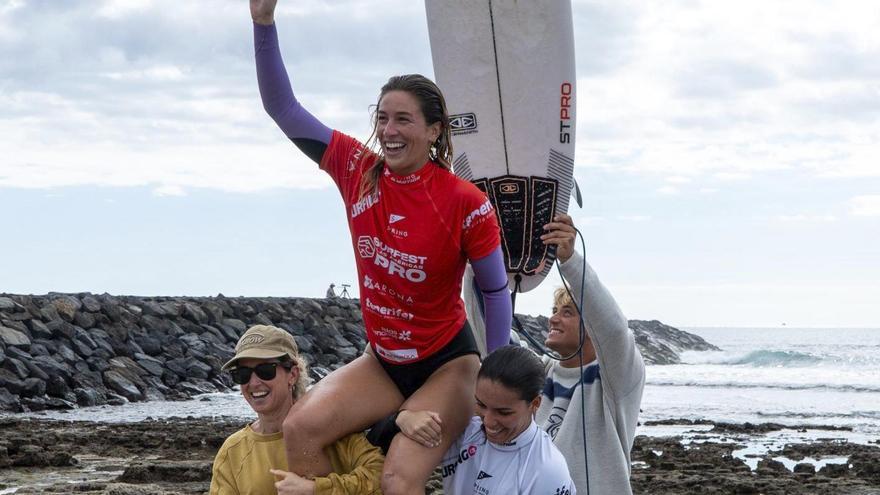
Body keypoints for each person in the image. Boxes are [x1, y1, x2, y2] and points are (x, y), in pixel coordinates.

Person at [248, 1, 512, 493]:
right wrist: (263, 24)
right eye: (383, 117)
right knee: (299, 429)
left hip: (448, 362)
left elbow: (495, 293)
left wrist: (495, 378)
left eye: (404, 120)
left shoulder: (464, 202)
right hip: (383, 360)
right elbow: (282, 108)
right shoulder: (356, 170)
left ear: (434, 131)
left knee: (398, 477)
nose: (389, 131)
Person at [536, 214, 646, 495]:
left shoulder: (615, 380)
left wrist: (570, 261)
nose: (553, 319)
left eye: (568, 312)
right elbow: (490, 343)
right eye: (554, 311)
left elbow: (614, 330)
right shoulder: (540, 372)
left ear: (591, 325)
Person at [210, 324, 384, 495]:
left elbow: (380, 476)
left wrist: (316, 489)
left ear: (292, 374)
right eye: (242, 374)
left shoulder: (333, 428)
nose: (254, 383)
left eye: (265, 371)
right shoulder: (232, 451)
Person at [397, 345, 576, 494]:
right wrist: (403, 418)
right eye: (481, 405)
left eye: (503, 412)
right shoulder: (466, 426)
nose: (488, 422)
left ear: (535, 404)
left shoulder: (547, 470)